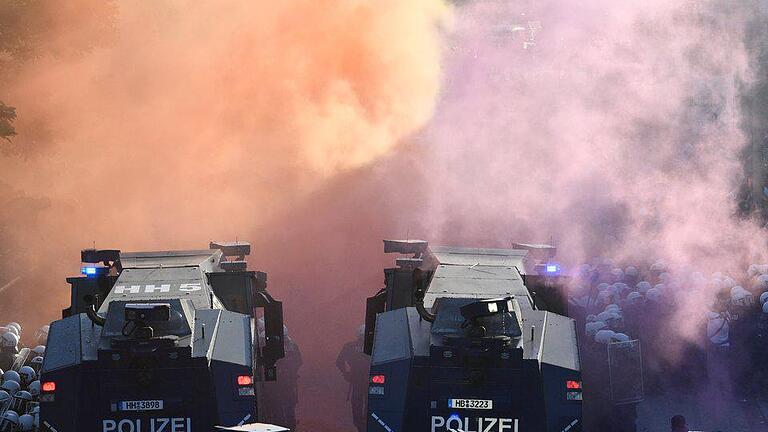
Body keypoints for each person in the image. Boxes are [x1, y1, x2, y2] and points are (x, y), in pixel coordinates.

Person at [336, 326, 370, 432]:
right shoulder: (375, 346)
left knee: (363, 402)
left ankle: (362, 423)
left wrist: (346, 373)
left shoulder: (350, 346)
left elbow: (339, 361)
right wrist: (346, 373)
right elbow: (339, 361)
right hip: (363, 380)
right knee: (360, 402)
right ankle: (361, 424)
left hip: (365, 380)